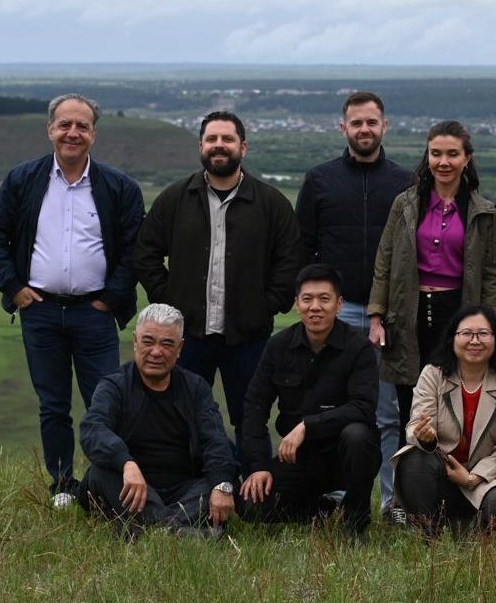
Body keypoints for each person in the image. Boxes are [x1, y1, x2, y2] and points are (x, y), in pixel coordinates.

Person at [0, 93, 145, 508]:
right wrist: (14, 287)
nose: (73, 133)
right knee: (52, 405)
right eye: (65, 124)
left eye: (82, 126)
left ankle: (105, 485)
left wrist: (111, 298)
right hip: (41, 311)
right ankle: (62, 486)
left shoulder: (119, 187)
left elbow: (133, 250)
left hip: (95, 313)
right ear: (50, 129)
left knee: (105, 404)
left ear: (94, 133)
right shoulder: (23, 180)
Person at [133, 111, 301, 470]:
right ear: (201, 147)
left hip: (249, 336)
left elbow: (290, 263)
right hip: (188, 335)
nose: (219, 146)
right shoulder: (175, 199)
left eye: (227, 139)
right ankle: (193, 485)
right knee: (184, 414)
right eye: (212, 139)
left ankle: (251, 493)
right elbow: (145, 252)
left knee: (250, 417)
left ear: (243, 147)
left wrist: (266, 305)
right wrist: (168, 300)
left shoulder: (271, 203)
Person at [295, 91, 414, 518]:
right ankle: (335, 495)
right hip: (335, 313)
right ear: (343, 128)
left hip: (390, 315)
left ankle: (390, 501)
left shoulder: (406, 183)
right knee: (330, 405)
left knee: (386, 413)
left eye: (372, 122)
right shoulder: (320, 180)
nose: (365, 129)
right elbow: (303, 247)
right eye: (356, 123)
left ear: (385, 126)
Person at [367, 120, 496, 464]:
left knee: (455, 409)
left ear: (467, 159)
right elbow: (384, 260)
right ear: (427, 156)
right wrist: (376, 316)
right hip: (407, 313)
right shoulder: (405, 204)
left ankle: (453, 496)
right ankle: (405, 498)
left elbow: (493, 275)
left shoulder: (482, 211)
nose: (443, 162)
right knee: (408, 411)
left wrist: (487, 324)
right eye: (436, 153)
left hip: (458, 314)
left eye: (452, 154)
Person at [238, 264, 380, 539]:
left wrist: (307, 426)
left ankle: (356, 521)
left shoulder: (357, 347)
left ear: (339, 305)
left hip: (345, 455)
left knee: (358, 435)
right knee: (249, 506)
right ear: (296, 304)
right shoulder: (278, 346)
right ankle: (323, 511)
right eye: (307, 299)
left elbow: (363, 407)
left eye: (324, 299)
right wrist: (257, 468)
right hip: (298, 459)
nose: (315, 307)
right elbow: (254, 408)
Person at [78, 303, 237, 537]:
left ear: (180, 348)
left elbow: (215, 440)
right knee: (100, 473)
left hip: (184, 488)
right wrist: (126, 463)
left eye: (167, 344)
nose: (156, 352)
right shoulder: (114, 385)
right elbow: (93, 429)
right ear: (135, 341)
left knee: (224, 481)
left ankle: (147, 530)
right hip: (130, 485)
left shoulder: (195, 387)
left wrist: (221, 485)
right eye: (148, 341)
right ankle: (182, 532)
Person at [391, 305, 496, 532]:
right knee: (413, 460)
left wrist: (473, 478)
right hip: (442, 471)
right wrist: (426, 438)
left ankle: (478, 536)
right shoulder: (433, 374)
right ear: (453, 338)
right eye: (466, 334)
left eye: (483, 334)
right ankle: (428, 533)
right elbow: (414, 426)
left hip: (487, 479)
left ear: (495, 339)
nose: (475, 340)